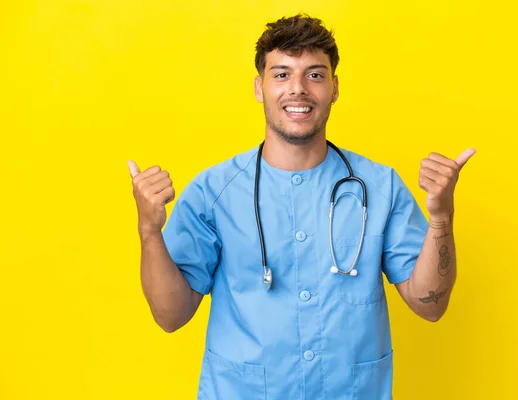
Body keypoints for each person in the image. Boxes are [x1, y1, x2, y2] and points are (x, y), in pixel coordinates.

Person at [127, 13, 475, 400]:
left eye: (314, 74)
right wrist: (149, 231)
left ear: (335, 87)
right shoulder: (214, 193)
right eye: (281, 75)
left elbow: (430, 305)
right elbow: (170, 316)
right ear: (259, 88)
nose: (298, 89)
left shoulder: (380, 187)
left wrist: (441, 218)